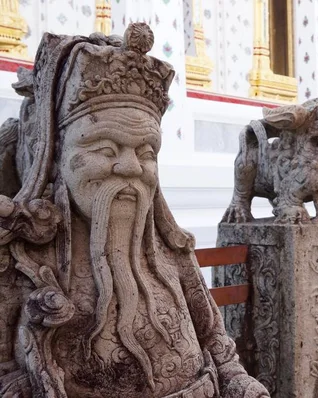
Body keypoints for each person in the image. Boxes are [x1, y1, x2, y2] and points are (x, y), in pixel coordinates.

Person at [0, 22, 269, 398]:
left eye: (146, 153)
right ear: (58, 155)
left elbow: (215, 339)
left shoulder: (170, 252)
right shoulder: (20, 261)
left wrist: (237, 380)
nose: (130, 168)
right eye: (105, 150)